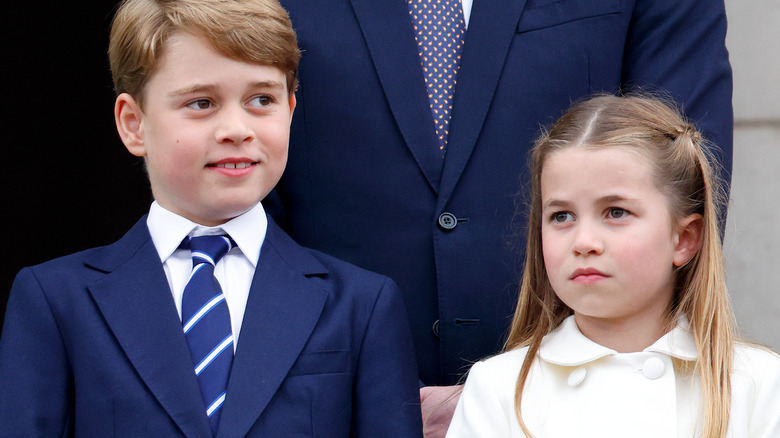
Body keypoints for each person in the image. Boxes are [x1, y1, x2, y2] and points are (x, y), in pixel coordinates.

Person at [268, 1, 733, 432]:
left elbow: (682, 179)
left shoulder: (761, 392)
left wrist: (531, 391)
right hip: (329, 406)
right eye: (563, 217)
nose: (585, 238)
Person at [0, 0, 422, 436]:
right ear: (133, 123)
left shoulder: (362, 305)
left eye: (262, 99)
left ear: (291, 111)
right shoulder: (56, 302)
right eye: (202, 103)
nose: (237, 129)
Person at [446, 95, 780, 437]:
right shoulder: (500, 389)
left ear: (684, 238)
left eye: (616, 212)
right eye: (562, 216)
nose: (584, 241)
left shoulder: (757, 385)